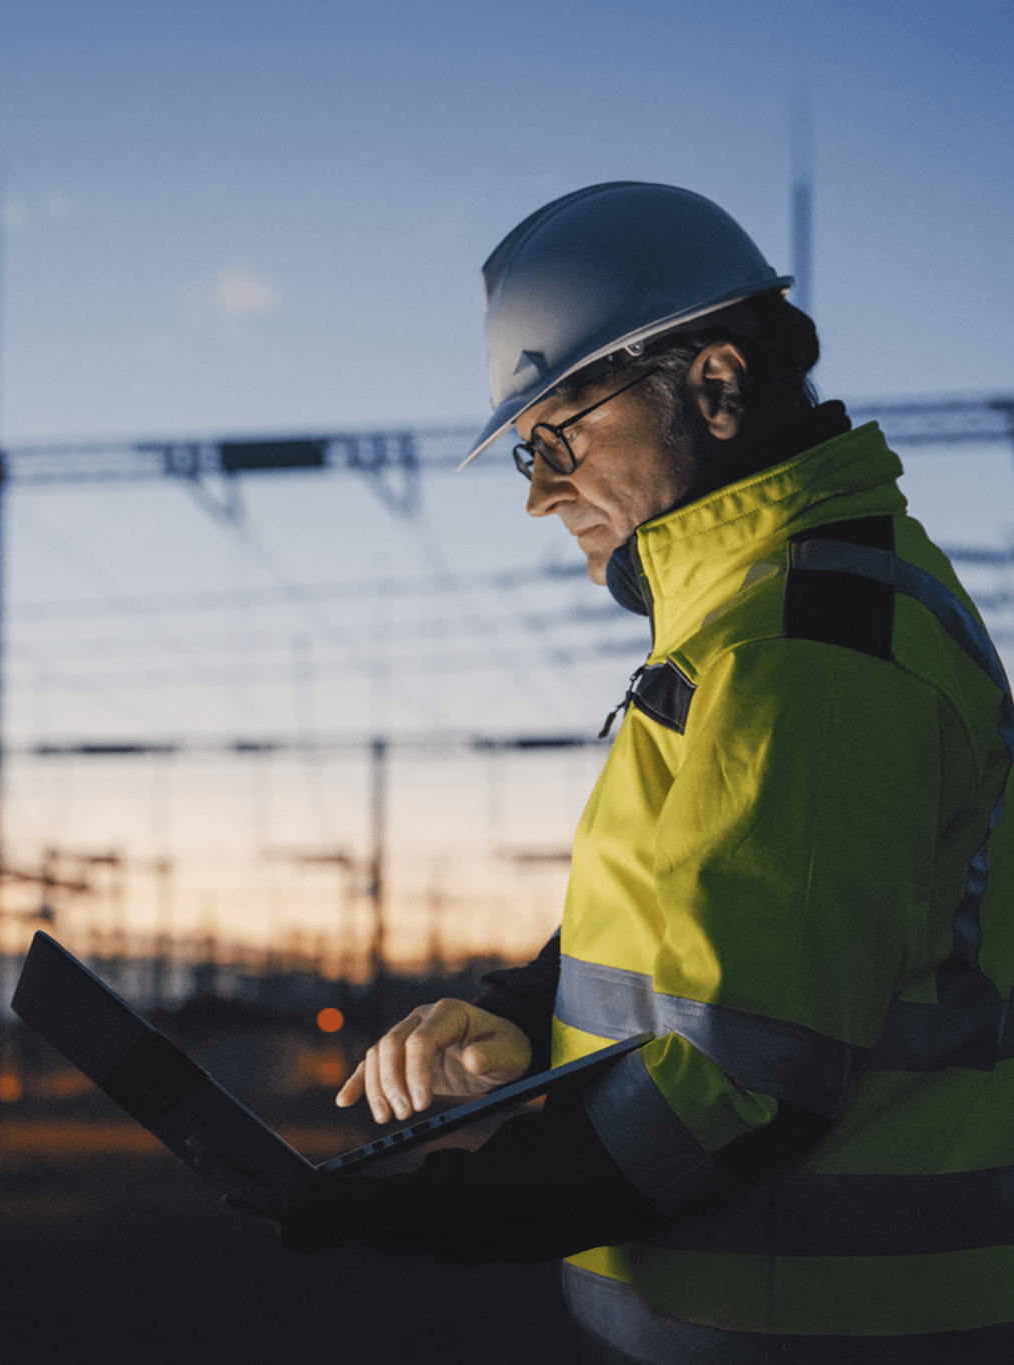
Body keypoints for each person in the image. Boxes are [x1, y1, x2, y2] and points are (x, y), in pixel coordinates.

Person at [229, 182, 1014, 1362]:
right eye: (526, 456)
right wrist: (520, 1011)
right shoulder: (763, 623)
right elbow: (700, 940)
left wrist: (442, 1208)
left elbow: (740, 1077)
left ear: (716, 383)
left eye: (560, 438)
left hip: (823, 1322)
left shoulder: (810, 652)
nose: (542, 493)